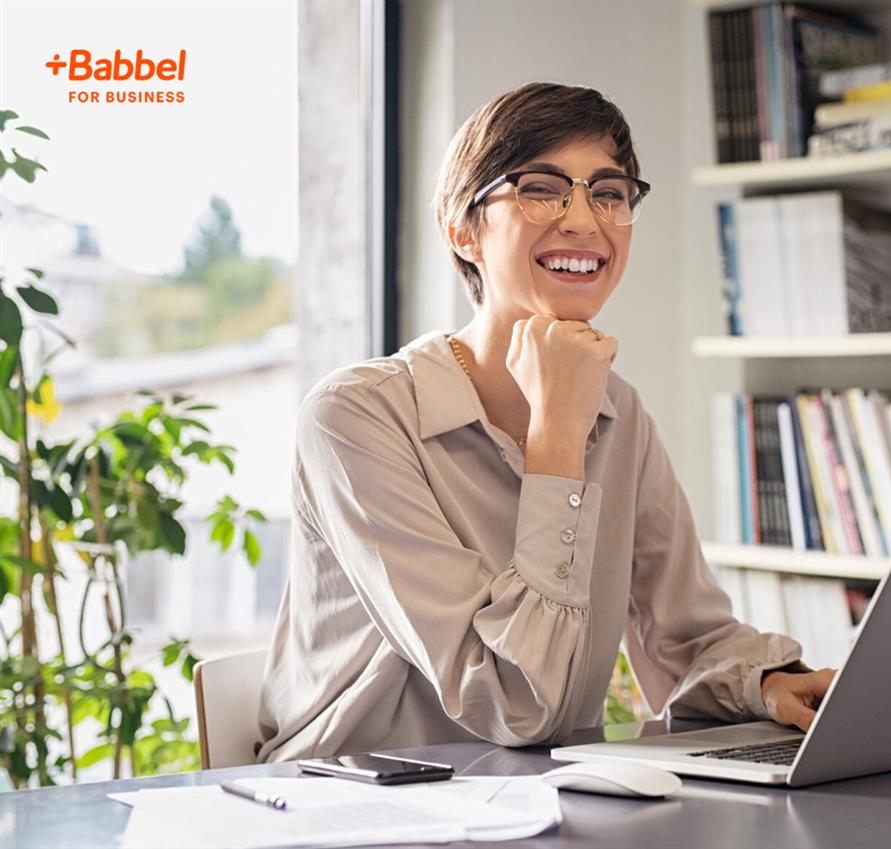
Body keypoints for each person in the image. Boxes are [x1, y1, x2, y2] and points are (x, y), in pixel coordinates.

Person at [256, 82, 833, 762]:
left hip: (531, 797)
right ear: (461, 228)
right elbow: (513, 705)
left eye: (610, 193)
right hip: (350, 810)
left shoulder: (621, 413)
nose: (585, 220)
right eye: (541, 187)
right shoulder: (354, 418)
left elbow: (685, 641)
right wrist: (556, 436)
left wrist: (769, 683)